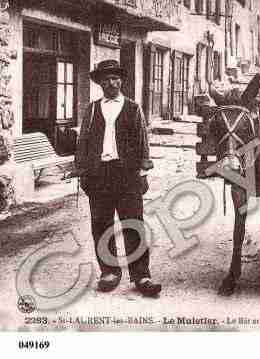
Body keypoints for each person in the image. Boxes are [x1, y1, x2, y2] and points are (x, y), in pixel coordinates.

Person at [75, 59, 161, 297]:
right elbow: (83, 142)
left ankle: (142, 275)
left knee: (133, 224)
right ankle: (109, 271)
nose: (111, 83)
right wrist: (83, 171)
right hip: (99, 174)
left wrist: (143, 173)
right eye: (106, 79)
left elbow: (143, 142)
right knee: (101, 224)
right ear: (100, 83)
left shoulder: (133, 108)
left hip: (127, 174)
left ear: (121, 81)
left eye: (115, 78)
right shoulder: (92, 110)